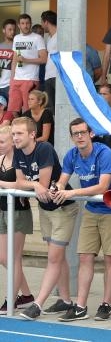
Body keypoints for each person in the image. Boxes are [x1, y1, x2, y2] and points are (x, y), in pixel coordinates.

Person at [51, 118, 111, 322]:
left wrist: (73, 194)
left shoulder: (105, 152)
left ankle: (105, 304)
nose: (79, 136)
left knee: (110, 258)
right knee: (85, 257)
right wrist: (57, 188)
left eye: (83, 132)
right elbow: (63, 180)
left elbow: (103, 187)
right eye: (75, 134)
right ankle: (80, 306)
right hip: (91, 209)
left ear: (91, 134)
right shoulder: (72, 155)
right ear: (72, 137)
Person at [14, 117, 79, 321]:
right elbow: (20, 182)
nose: (15, 138)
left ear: (32, 134)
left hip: (63, 208)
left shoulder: (44, 149)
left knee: (53, 258)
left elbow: (44, 184)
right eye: (14, 134)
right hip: (45, 210)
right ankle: (66, 300)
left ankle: (38, 304)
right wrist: (33, 186)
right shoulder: (17, 151)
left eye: (19, 134)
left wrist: (32, 184)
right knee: (57, 258)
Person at [0, 125, 34, 314]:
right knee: (4, 257)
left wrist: (2, 184)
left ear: (12, 142)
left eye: (2, 142)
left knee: (14, 257)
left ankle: (11, 298)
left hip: (19, 211)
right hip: (3, 210)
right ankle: (27, 295)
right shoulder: (1, 159)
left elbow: (23, 185)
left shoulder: (21, 161)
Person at [9, 13, 47, 117]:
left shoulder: (37, 38)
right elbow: (15, 59)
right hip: (16, 79)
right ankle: (20, 125)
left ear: (31, 24)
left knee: (28, 108)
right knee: (13, 109)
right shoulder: (16, 38)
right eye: (23, 23)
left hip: (30, 78)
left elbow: (44, 59)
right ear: (19, 25)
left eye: (27, 23)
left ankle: (28, 129)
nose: (25, 26)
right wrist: (11, 79)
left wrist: (26, 60)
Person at [40, 10, 57, 114]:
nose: (42, 26)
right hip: (48, 76)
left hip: (57, 75)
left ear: (46, 22)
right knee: (51, 106)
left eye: (42, 23)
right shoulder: (50, 38)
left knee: (58, 104)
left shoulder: (61, 35)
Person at [0, 19, 17, 103]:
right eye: (10, 29)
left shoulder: (17, 46)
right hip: (0, 84)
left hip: (11, 85)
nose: (12, 32)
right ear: (4, 30)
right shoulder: (0, 46)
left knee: (13, 111)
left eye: (14, 30)